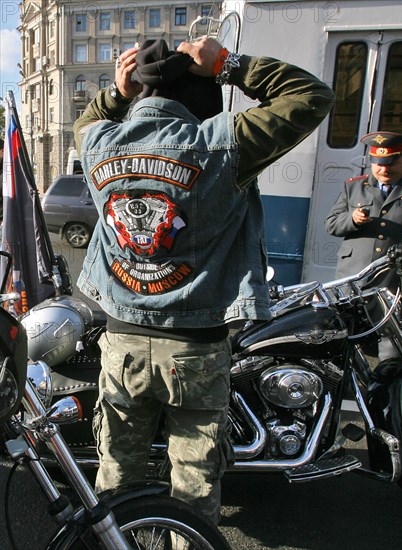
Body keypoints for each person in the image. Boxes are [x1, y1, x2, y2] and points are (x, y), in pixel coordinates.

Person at [73, 37, 335, 524]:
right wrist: (229, 64)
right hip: (197, 345)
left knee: (115, 473)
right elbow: (311, 96)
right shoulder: (225, 141)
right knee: (193, 485)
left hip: (122, 339)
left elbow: (85, 121)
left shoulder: (98, 143)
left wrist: (118, 92)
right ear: (204, 92)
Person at [325, 131, 402, 359]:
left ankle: (386, 389)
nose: (383, 170)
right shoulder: (354, 187)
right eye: (378, 164)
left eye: (390, 163)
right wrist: (352, 220)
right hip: (354, 277)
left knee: (392, 343)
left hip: (393, 280)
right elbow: (331, 224)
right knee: (344, 341)